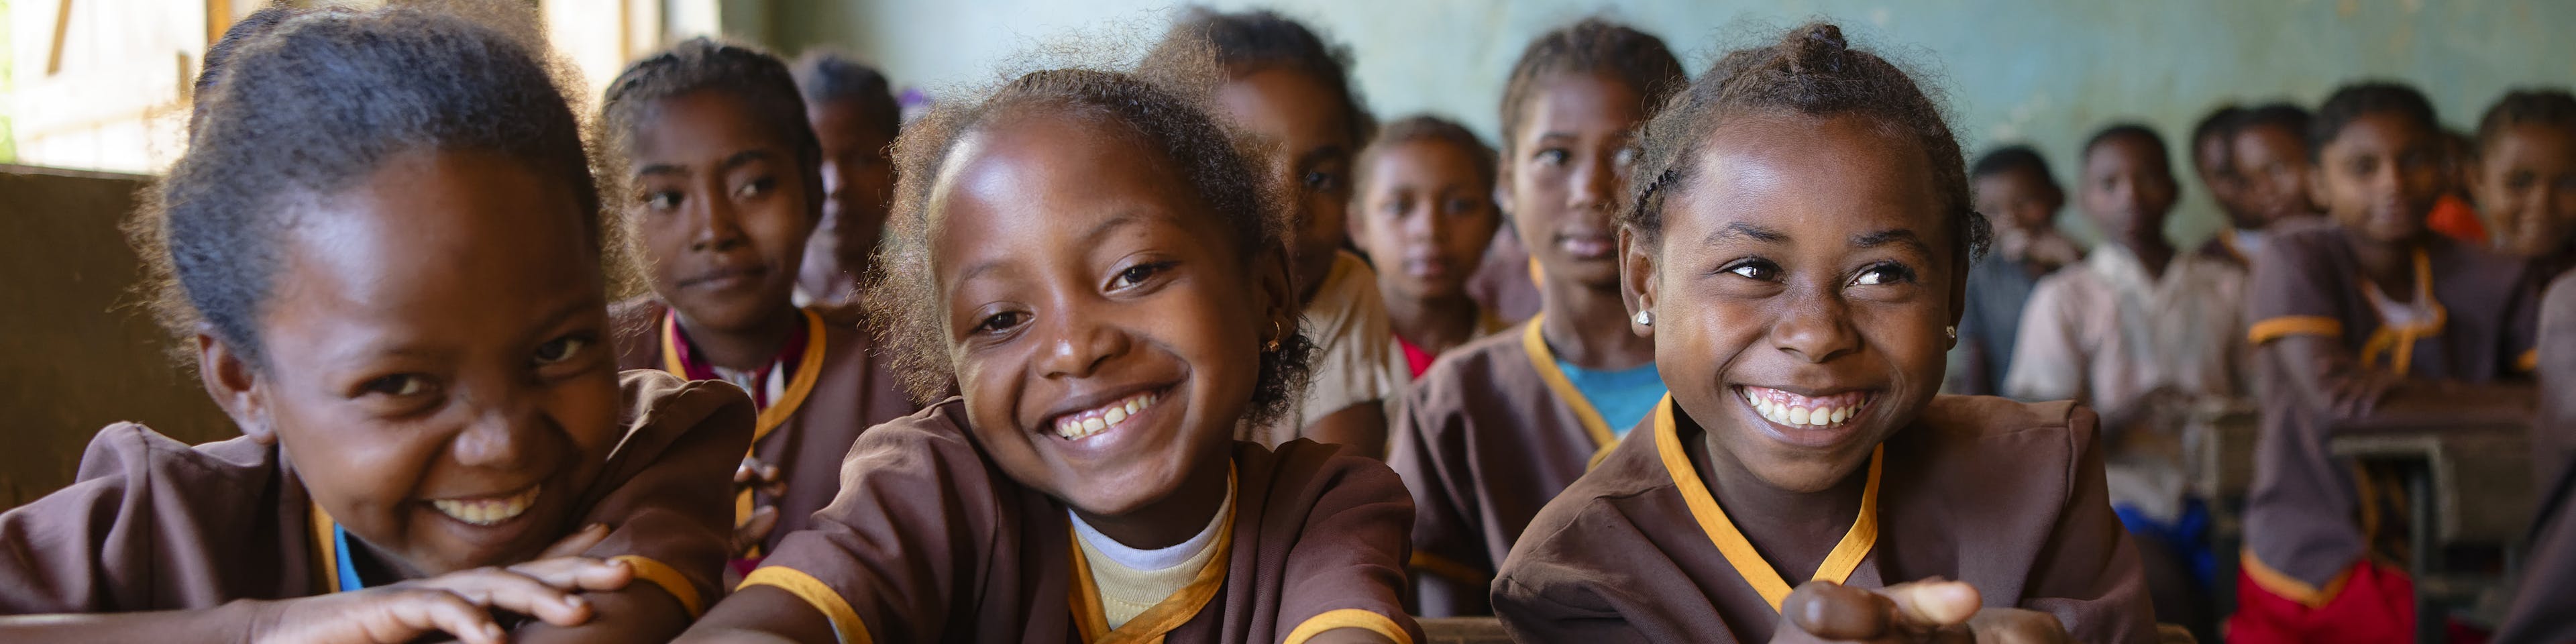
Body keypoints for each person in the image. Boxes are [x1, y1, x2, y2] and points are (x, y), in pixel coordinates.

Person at [0, 5, 745, 642]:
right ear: (241, 379)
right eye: (400, 384)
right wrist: (260, 629)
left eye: (555, 350)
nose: (504, 440)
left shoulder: (653, 448)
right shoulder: (158, 519)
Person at [675, 59, 1418, 644]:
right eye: (1000, 319)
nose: (1073, 348)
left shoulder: (1327, 507)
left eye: (1135, 272)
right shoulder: (933, 485)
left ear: (1269, 296)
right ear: (951, 366)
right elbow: (770, 622)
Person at [1489, 23, 2154, 643]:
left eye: (1882, 274)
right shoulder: (1577, 573)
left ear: (1953, 288)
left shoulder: (2041, 479)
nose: (1816, 335)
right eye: (1751, 269)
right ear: (1645, 283)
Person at [1385, 17, 1683, 617]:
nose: (1590, 188)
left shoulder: (1750, 379)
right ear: (1506, 184)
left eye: (1629, 151)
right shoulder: (1455, 402)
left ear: (1683, 175)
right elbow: (1443, 623)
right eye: (1554, 155)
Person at [2230, 81, 2540, 644]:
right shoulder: (2296, 257)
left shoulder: (2495, 275)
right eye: (2363, 167)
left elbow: (2556, 403)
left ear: (2448, 167)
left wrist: (2393, 391)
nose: (2393, 183)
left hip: (2464, 553)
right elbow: (2337, 404)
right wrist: (2509, 403)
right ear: (2319, 183)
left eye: (2416, 160)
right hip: (2317, 554)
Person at [595, 39, 919, 568]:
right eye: (664, 198)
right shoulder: (592, 374)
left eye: (754, 186)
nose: (715, 231)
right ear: (617, 219)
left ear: (814, 192)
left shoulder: (903, 370)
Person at [2004, 123, 2247, 639]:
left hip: (2221, 495)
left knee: (2249, 591)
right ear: (2084, 199)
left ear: (2176, 190)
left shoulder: (2227, 286)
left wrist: (2213, 415)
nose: (2131, 196)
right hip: (2118, 501)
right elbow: (2042, 435)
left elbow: (2264, 402)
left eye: (2150, 178)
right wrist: (2127, 415)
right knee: (2163, 591)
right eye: (2109, 184)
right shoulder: (2066, 296)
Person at [1144, 7, 1403, 455]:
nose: (1290, 210)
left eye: (1320, 178)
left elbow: (1343, 499)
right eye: (1247, 172)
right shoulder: (1144, 303)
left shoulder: (1341, 288)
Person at [1347, 114, 1509, 378]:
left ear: (1493, 223)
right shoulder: (1327, 355)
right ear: (1358, 226)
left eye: (1459, 206)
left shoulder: (1521, 358)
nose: (1430, 230)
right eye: (1400, 207)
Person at [1949, 145, 2078, 395]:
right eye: (1993, 212)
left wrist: (2070, 263)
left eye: (2026, 202)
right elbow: (1976, 355)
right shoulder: (1979, 278)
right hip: (2017, 408)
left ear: (2057, 197)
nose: (2012, 220)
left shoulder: (2082, 261)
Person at [788, 50, 901, 311]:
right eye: (813, 162)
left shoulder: (921, 308)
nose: (836, 185)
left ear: (897, 167)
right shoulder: (761, 309)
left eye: (862, 160)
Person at [2472, 89, 2576, 278]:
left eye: (2569, 184)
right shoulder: (2452, 285)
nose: (2543, 205)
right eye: (2520, 183)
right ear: (2478, 180)